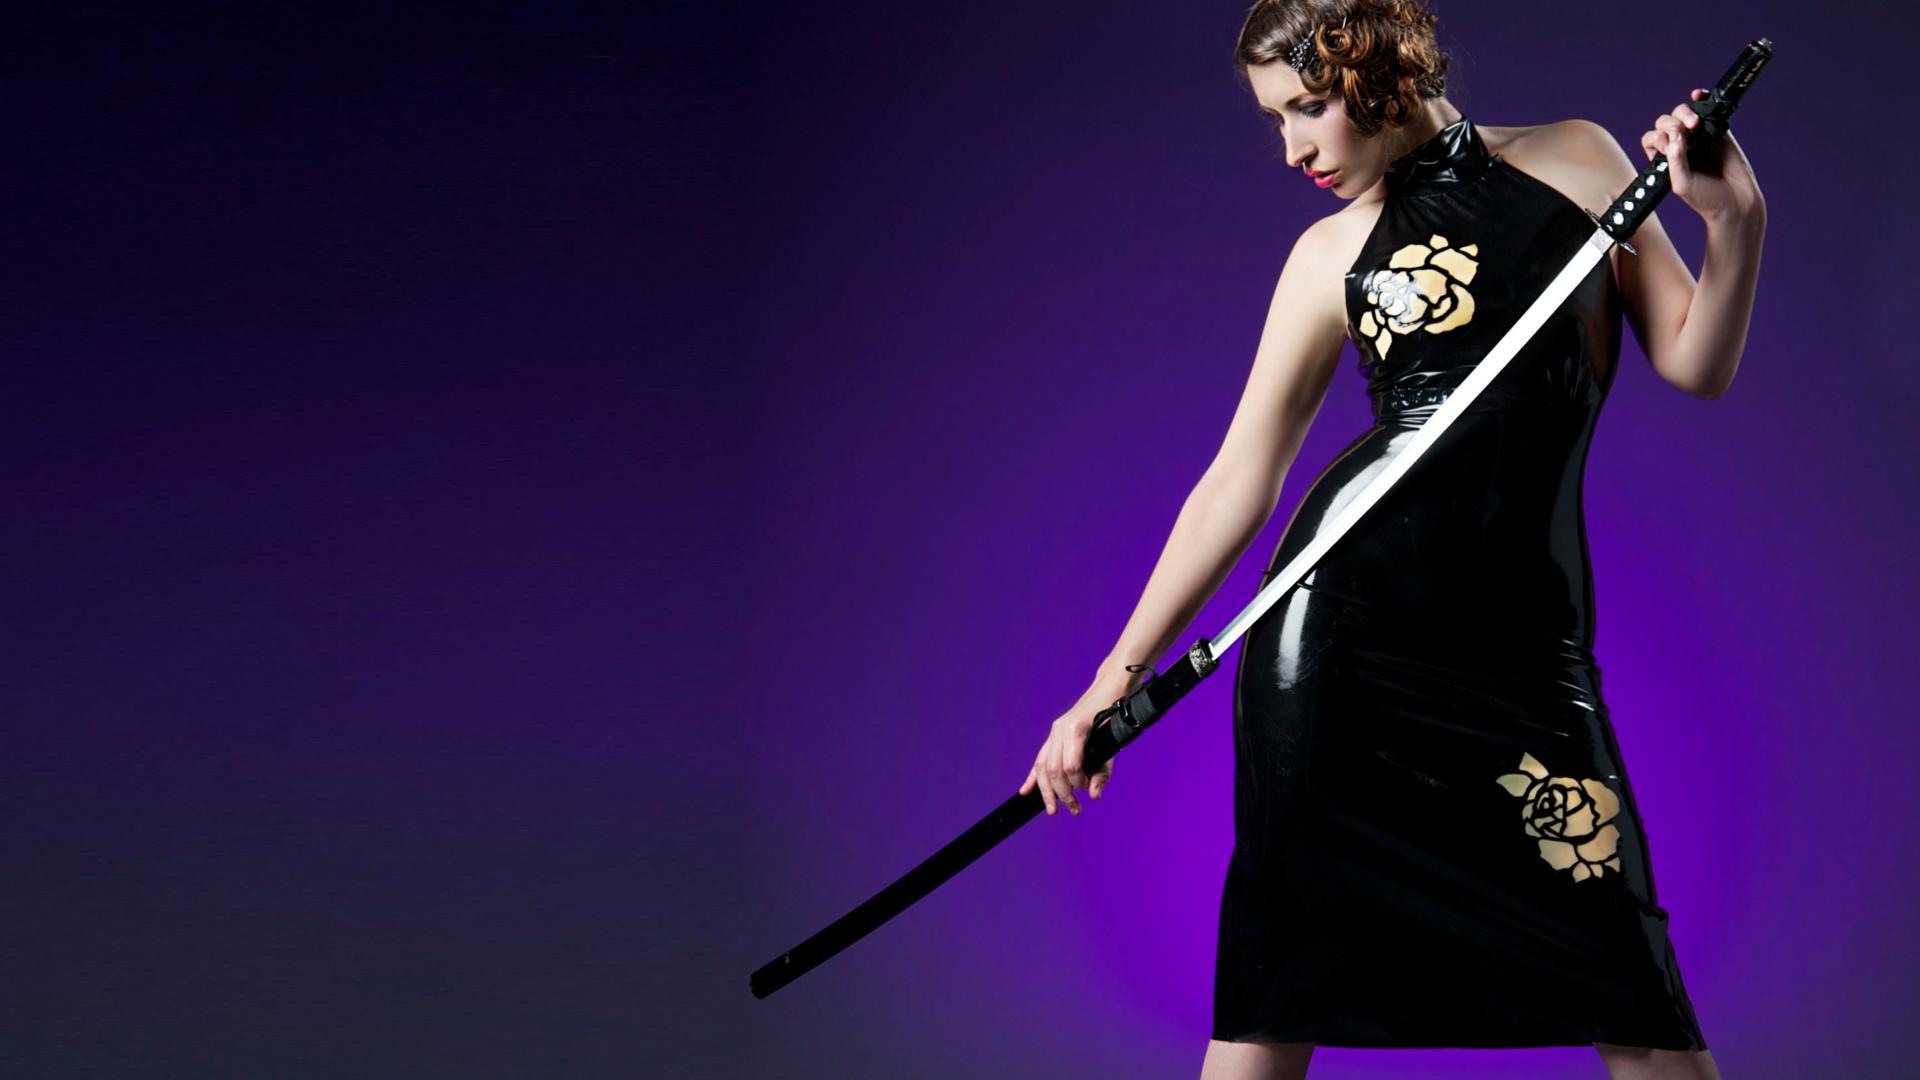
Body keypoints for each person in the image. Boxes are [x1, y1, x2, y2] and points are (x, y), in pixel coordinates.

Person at [1015, 1, 1765, 1077]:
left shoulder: (1582, 160)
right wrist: (1109, 682)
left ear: (1375, 67)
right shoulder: (1328, 255)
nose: (1293, 149)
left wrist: (1736, 220)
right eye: (1275, 119)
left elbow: (1696, 361)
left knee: (1632, 986)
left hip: (1526, 651)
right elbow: (1239, 480)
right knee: (1276, 991)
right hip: (1341, 647)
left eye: (1308, 106)